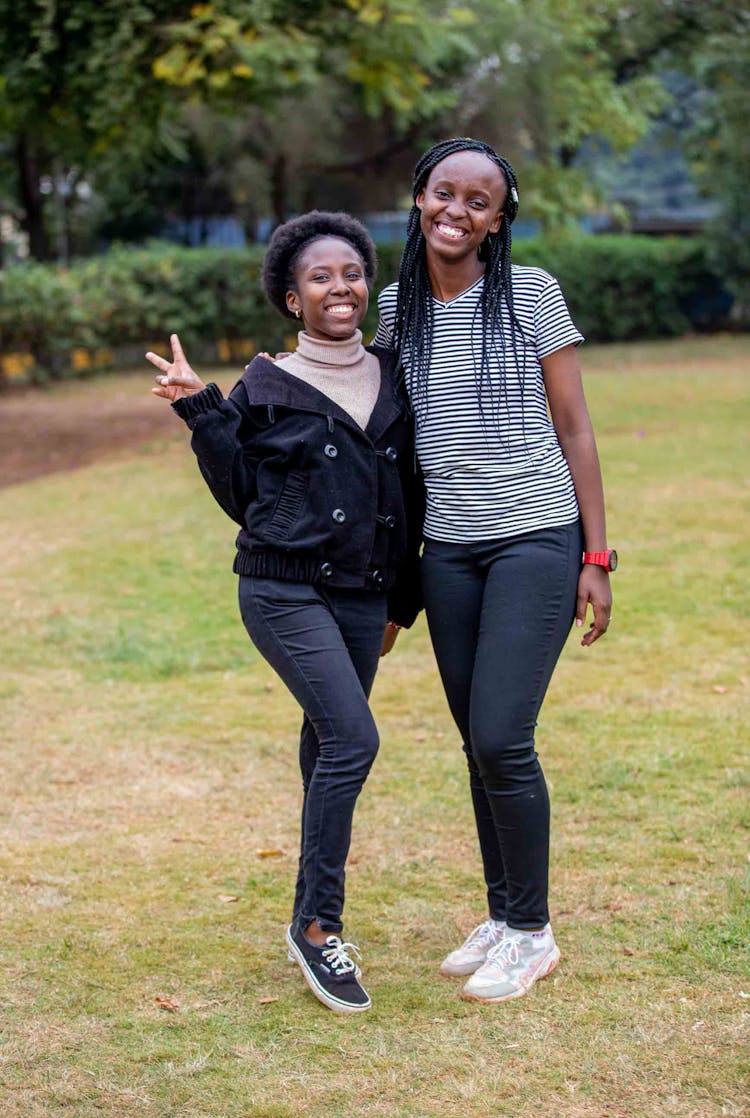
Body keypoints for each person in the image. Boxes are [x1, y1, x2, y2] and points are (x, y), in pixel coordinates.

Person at [147, 212, 423, 1015]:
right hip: (282, 588)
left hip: (365, 593)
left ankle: (310, 907)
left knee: (324, 747)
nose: (341, 288)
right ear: (292, 299)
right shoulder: (264, 387)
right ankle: (316, 926)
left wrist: (400, 601)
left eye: (351, 273)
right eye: (319, 279)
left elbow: (408, 500)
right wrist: (202, 408)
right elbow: (242, 497)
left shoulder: (396, 372)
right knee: (352, 738)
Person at [374, 137, 615, 1004]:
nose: (458, 212)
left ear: (499, 217)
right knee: (478, 744)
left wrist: (594, 552)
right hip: (451, 555)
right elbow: (391, 448)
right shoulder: (398, 310)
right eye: (446, 193)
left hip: (535, 539)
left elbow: (576, 426)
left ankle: (534, 932)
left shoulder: (531, 294)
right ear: (420, 198)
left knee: (505, 736)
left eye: (480, 201)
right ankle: (503, 914)